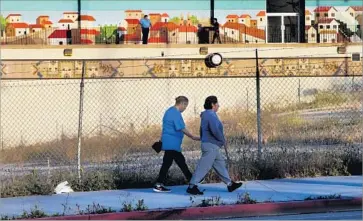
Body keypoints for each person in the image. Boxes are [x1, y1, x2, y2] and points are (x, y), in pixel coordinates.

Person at [187, 96, 242, 195]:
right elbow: (215, 130)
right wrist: (223, 140)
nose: (218, 106)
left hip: (211, 145)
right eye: (217, 104)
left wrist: (204, 138)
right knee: (203, 167)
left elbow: (202, 130)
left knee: (220, 164)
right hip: (211, 145)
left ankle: (230, 184)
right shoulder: (211, 115)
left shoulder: (206, 115)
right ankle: (192, 186)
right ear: (213, 105)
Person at [154, 96, 200, 193]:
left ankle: (159, 184)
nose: (185, 108)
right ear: (182, 103)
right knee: (179, 163)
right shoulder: (175, 113)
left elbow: (166, 127)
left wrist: (162, 139)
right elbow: (181, 128)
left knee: (172, 162)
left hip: (169, 142)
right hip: (172, 143)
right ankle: (192, 183)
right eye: (185, 106)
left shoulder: (169, 111)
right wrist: (192, 136)